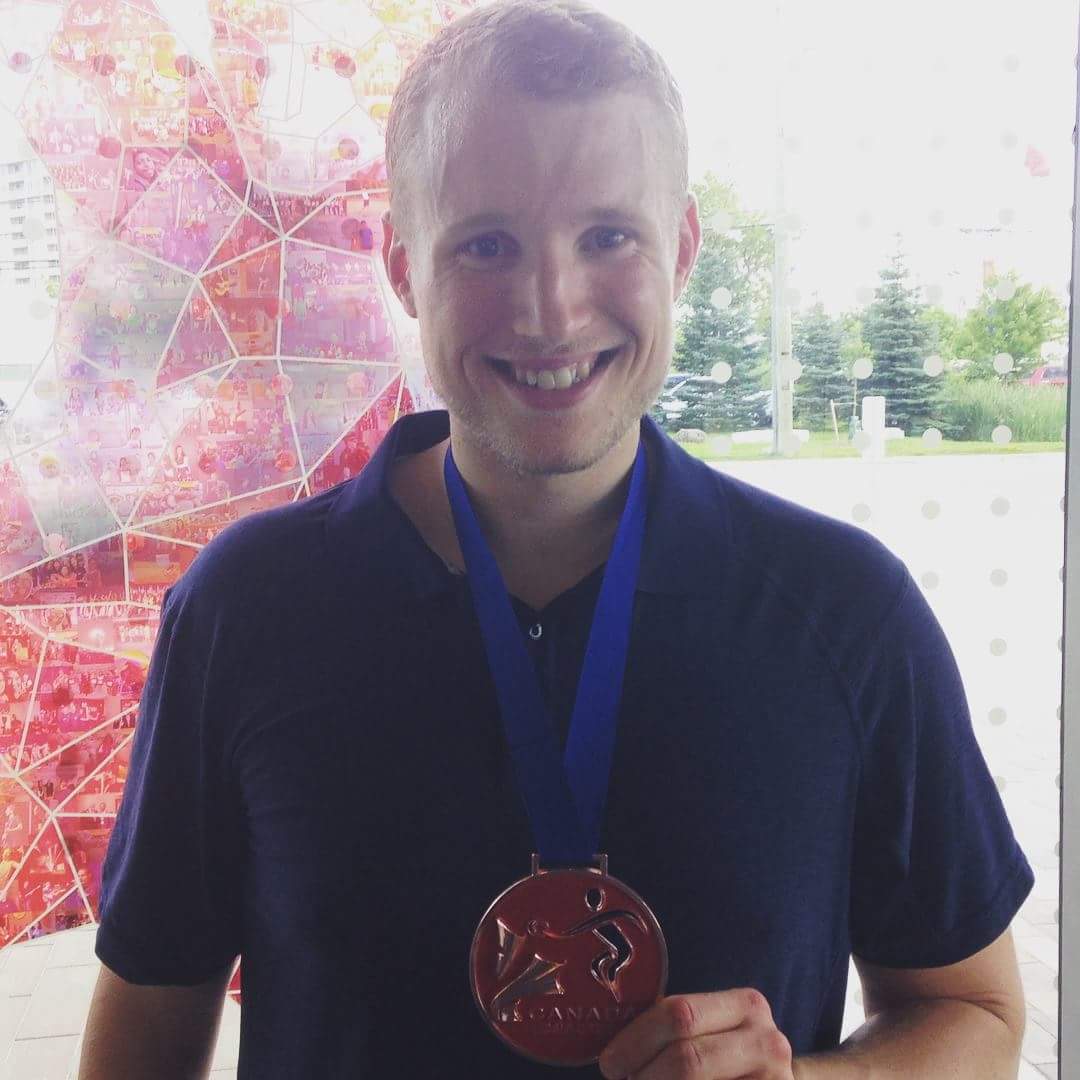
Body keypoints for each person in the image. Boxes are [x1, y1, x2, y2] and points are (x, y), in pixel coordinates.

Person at [83, 3, 1033, 1078]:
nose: (549, 309)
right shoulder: (246, 609)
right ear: (402, 266)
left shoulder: (846, 614)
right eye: (486, 244)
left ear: (681, 249)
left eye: (608, 236)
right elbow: (144, 1038)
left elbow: (976, 1012)